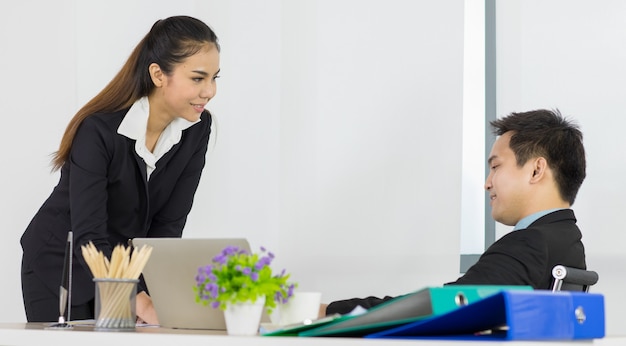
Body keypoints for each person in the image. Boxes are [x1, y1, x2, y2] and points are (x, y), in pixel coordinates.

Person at [20, 15, 221, 323]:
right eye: (198, 78)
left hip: (122, 270)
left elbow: (168, 226)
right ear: (158, 74)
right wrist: (138, 300)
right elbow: (89, 234)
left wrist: (153, 292)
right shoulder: (98, 131)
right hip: (61, 264)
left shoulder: (197, 129)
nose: (210, 91)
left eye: (214, 78)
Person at [322, 109, 587, 315]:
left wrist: (330, 313)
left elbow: (443, 307)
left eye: (495, 167)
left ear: (536, 170)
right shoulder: (568, 240)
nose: (487, 183)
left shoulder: (531, 242)